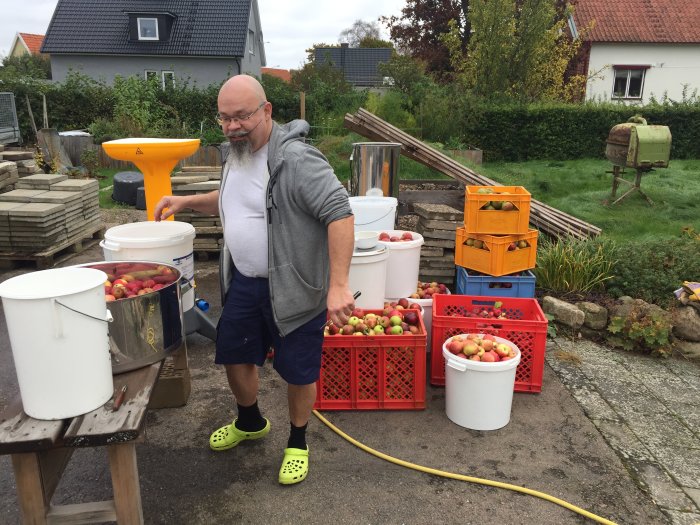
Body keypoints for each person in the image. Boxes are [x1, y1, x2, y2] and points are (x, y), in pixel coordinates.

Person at [154, 75, 355, 485]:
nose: (232, 126)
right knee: (234, 354)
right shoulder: (238, 154)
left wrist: (338, 285)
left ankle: (297, 441)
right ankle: (250, 422)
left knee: (298, 370)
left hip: (295, 288)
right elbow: (233, 198)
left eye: (241, 116)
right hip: (245, 281)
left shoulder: (297, 160)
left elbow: (340, 213)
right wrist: (186, 200)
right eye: (224, 118)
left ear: (267, 111)